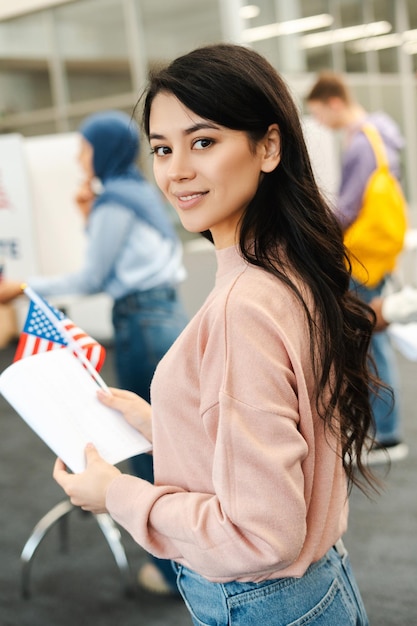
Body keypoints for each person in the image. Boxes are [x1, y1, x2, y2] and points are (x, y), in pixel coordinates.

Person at [52, 44, 378, 625]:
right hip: (317, 588)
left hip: (268, 605)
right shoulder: (286, 269)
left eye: (203, 141)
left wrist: (118, 496)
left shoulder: (243, 307)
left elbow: (260, 535)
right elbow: (283, 440)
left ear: (269, 146)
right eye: (162, 148)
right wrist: (165, 425)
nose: (176, 169)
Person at [0, 110, 188, 594]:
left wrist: (20, 286)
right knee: (163, 433)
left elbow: (92, 277)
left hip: (141, 321)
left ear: (103, 150)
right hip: (159, 313)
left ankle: (173, 568)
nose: (79, 157)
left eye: (84, 148)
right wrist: (88, 214)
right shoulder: (134, 192)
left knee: (149, 444)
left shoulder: (115, 202)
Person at [306, 71, 409, 464]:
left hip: (362, 255)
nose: (322, 122)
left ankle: (386, 432)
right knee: (370, 335)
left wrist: (315, 228)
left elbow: (349, 205)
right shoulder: (381, 135)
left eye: (320, 113)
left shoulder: (363, 141)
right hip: (375, 253)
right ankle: (384, 428)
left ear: (334, 102)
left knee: (368, 338)